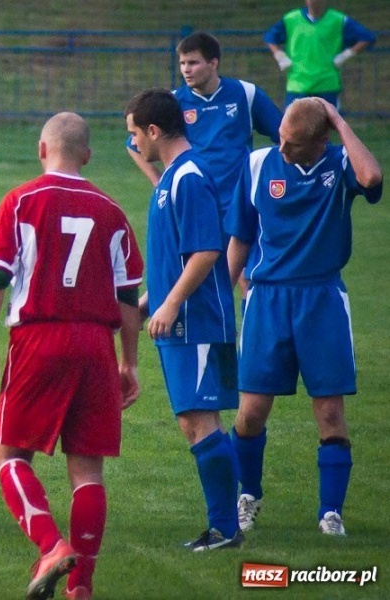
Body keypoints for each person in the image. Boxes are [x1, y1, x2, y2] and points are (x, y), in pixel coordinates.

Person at [0, 112, 143, 600]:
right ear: (87, 156)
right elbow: (128, 295)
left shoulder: (22, 200)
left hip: (39, 339)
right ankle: (81, 586)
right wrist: (128, 362)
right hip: (96, 344)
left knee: (9, 454)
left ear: (42, 150)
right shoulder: (111, 209)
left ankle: (50, 545)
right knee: (88, 471)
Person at [225, 97, 382, 536]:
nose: (282, 150)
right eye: (281, 139)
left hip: (323, 300)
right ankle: (248, 495)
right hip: (268, 299)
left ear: (322, 140)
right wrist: (221, 294)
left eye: (293, 144)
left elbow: (372, 176)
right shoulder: (258, 165)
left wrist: (336, 117)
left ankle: (330, 513)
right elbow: (241, 236)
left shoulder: (341, 164)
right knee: (251, 412)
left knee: (330, 413)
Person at [124, 88, 242, 551]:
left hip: (195, 322)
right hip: (180, 317)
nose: (134, 144)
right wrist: (151, 302)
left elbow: (207, 250)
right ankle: (229, 520)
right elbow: (177, 254)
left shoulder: (188, 177)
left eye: (135, 134)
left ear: (154, 131)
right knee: (195, 421)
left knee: (198, 421)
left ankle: (226, 529)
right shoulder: (173, 177)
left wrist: (171, 305)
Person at [127, 31, 282, 221]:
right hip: (195, 200)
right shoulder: (173, 102)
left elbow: (284, 134)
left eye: (193, 63)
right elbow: (134, 142)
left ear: (213, 63)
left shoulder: (245, 93)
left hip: (238, 203)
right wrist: (157, 180)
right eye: (182, 63)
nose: (186, 69)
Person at [264, 0, 376, 108]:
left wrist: (346, 54)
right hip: (298, 85)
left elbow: (366, 38)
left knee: (327, 125)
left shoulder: (338, 20)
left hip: (327, 85)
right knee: (295, 126)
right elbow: (270, 37)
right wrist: (279, 55)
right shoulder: (291, 19)